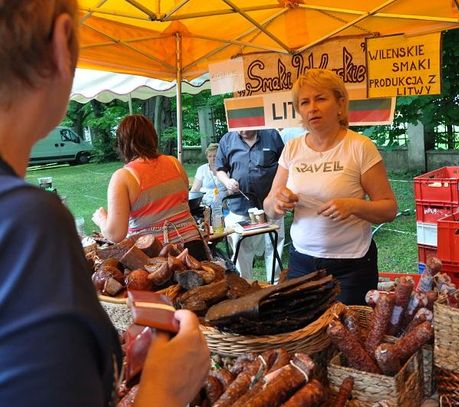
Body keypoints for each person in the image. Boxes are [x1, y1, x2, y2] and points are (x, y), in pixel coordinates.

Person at [0, 2, 209, 406]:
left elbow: (113, 232)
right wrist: (165, 390)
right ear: (63, 44)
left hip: (156, 266)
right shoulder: (26, 222)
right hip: (190, 248)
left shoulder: (115, 180)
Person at [264, 69, 398, 305]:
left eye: (321, 98)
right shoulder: (292, 149)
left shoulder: (360, 147)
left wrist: (354, 206)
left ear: (340, 104)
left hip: (351, 266)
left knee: (347, 336)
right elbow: (268, 207)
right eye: (304, 102)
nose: (312, 107)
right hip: (301, 263)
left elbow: (388, 209)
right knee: (303, 335)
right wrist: (277, 202)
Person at [92, 114, 209, 261]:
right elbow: (183, 201)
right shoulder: (174, 163)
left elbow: (115, 234)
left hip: (156, 255)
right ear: (153, 137)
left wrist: (101, 218)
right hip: (192, 247)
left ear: (122, 143)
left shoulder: (123, 177)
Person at [216, 129, 285, 281]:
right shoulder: (227, 140)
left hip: (272, 202)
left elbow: (285, 165)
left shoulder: (272, 135)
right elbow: (220, 169)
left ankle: (275, 283)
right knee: (242, 246)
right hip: (241, 204)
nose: (243, 131)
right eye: (239, 129)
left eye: (247, 127)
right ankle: (245, 283)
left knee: (274, 243)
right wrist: (227, 181)